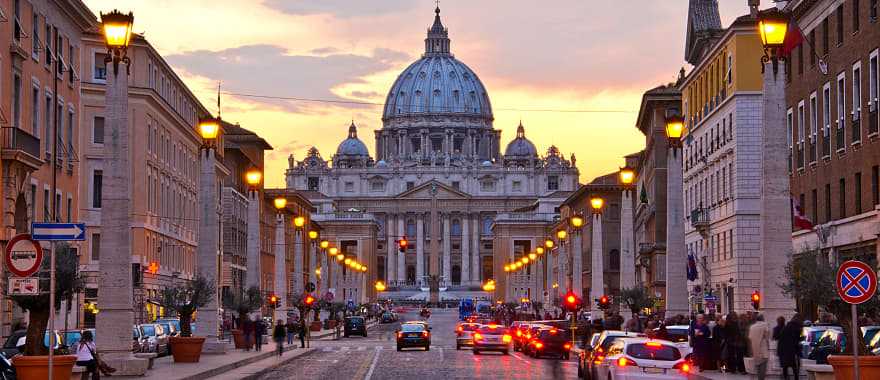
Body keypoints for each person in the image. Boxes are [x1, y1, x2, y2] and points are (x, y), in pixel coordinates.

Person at [778, 313, 804, 380]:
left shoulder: (787, 326)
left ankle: (786, 378)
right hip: (791, 350)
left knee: (785, 366)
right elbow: (796, 339)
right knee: (794, 366)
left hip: (784, 349)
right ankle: (795, 378)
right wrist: (802, 338)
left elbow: (781, 338)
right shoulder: (797, 327)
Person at [749, 314, 771, 380]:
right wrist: (768, 346)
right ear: (763, 319)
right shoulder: (765, 325)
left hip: (755, 349)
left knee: (758, 368)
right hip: (763, 349)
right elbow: (767, 337)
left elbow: (750, 339)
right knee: (763, 369)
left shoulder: (752, 327)